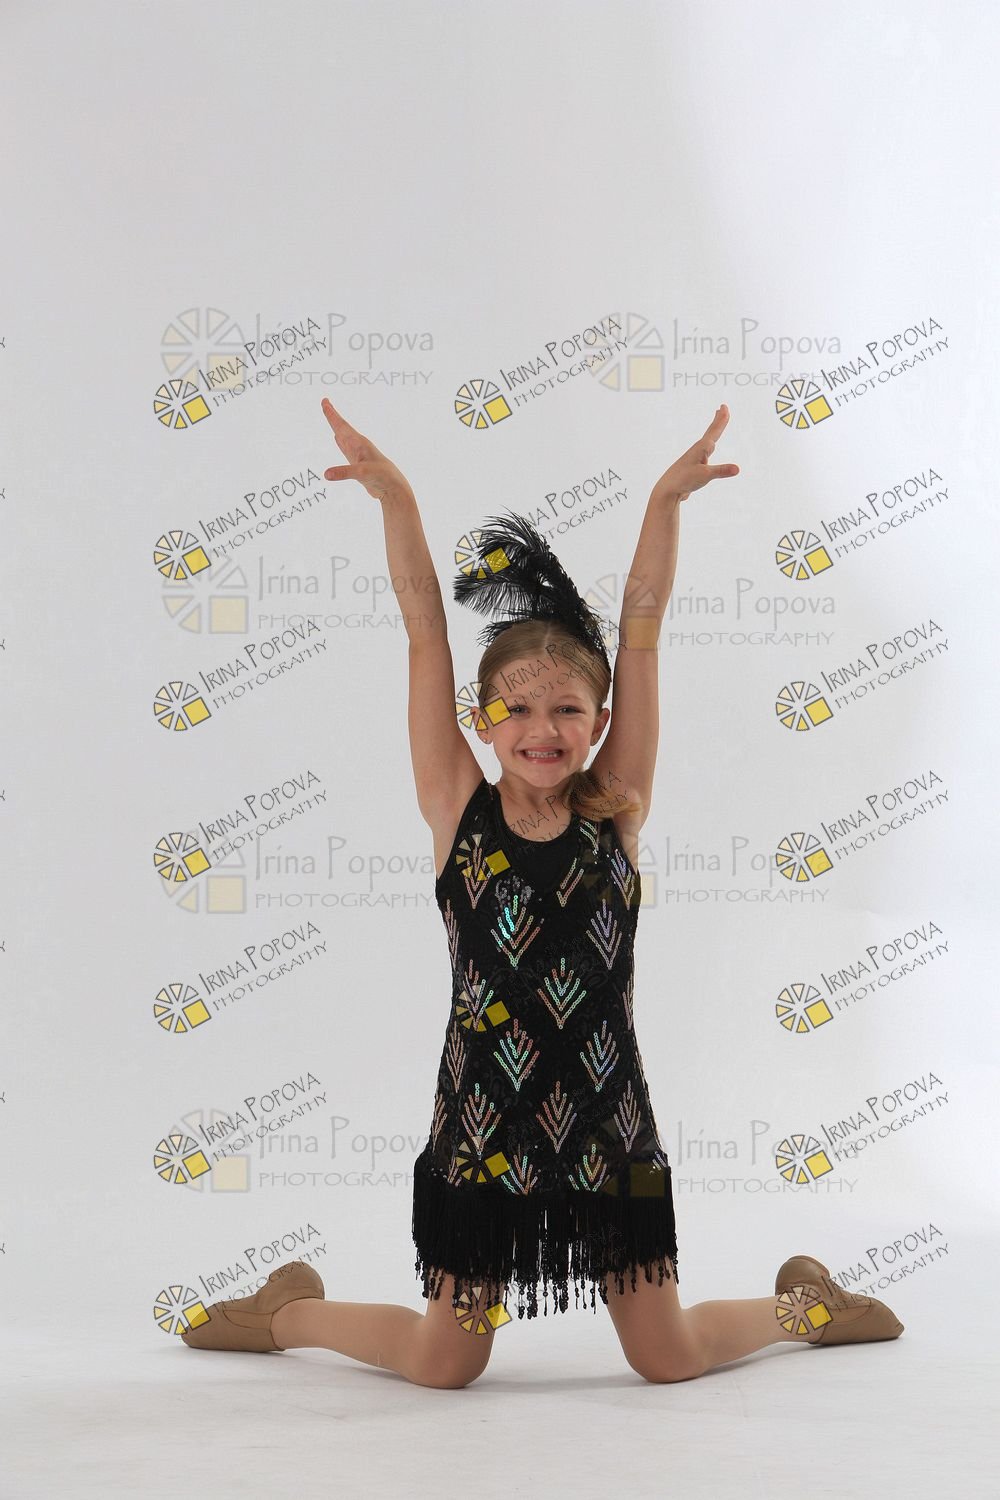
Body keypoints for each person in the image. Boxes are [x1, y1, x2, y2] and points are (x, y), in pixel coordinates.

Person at [180, 398, 904, 1387]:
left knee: (666, 1356)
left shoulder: (617, 806)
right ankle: (287, 1310)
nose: (542, 728)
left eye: (567, 708)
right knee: (445, 1363)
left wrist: (662, 506)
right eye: (516, 708)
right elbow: (423, 637)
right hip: (484, 1127)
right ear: (481, 719)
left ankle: (808, 1305)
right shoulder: (458, 812)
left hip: (612, 1129)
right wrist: (398, 503)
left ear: (599, 720)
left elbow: (642, 636)